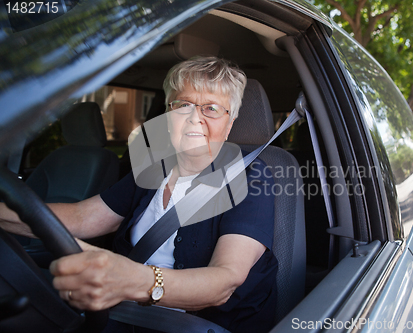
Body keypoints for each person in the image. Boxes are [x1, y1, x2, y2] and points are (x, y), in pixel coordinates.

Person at [0, 57, 278, 333]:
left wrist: (133, 280)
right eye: (183, 105)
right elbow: (82, 217)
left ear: (230, 123)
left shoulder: (252, 175)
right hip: (123, 313)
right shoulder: (153, 168)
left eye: (212, 109)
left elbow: (224, 281)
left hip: (202, 326)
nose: (195, 118)